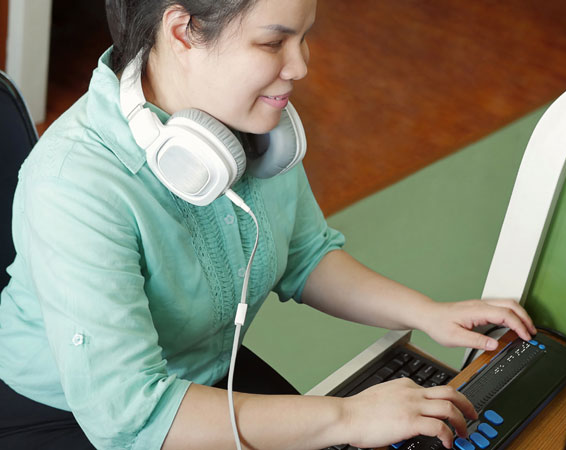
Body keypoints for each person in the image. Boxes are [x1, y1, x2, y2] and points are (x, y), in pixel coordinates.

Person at [0, 0, 536, 448]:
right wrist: (347, 417)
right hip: (76, 412)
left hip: (205, 377)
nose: (300, 65)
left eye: (304, 37)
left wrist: (428, 313)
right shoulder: (74, 184)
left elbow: (305, 253)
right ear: (183, 31)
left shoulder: (250, 130)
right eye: (272, 42)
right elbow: (132, 414)